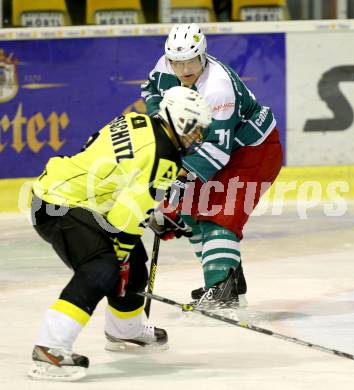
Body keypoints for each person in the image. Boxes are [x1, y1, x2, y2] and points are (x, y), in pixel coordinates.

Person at [28, 86, 212, 381]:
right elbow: (127, 215)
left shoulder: (139, 121)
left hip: (68, 196)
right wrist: (121, 250)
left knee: (134, 261)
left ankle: (124, 330)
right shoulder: (166, 156)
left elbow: (114, 165)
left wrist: (151, 219)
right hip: (59, 204)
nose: (198, 137)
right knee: (103, 267)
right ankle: (49, 349)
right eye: (195, 128)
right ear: (178, 120)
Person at [142, 23, 283, 309]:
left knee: (218, 212)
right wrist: (163, 121)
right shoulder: (165, 67)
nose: (184, 70)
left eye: (191, 61)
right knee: (189, 211)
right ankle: (226, 277)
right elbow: (151, 92)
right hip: (219, 149)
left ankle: (222, 290)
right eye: (177, 62)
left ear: (203, 55)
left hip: (253, 151)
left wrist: (176, 184)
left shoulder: (217, 89)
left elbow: (217, 150)